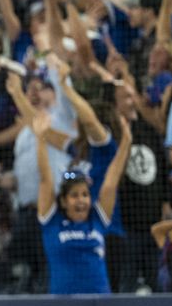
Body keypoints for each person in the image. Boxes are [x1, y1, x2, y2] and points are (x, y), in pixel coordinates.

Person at [35, 111, 131, 295]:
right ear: (63, 201)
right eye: (74, 196)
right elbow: (45, 180)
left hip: (100, 305)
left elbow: (110, 183)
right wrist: (40, 139)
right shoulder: (51, 221)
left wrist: (125, 142)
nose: (81, 201)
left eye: (85, 195)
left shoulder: (97, 220)